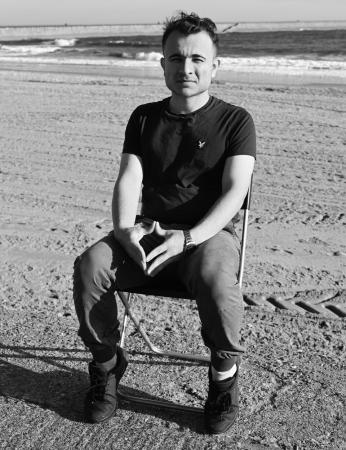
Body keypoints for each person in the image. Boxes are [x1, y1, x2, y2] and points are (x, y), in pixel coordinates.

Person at [73, 11, 256, 434]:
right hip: (147, 232)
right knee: (90, 266)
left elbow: (234, 194)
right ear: (162, 64)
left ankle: (223, 379)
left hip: (206, 236)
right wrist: (123, 230)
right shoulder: (143, 117)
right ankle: (107, 365)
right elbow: (129, 177)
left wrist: (188, 238)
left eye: (196, 58)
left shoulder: (236, 121)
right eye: (175, 58)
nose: (185, 68)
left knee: (217, 282)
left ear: (215, 65)